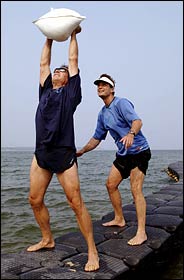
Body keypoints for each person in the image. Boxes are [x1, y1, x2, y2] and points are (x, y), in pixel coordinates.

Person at [27, 26, 99, 272]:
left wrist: (73, 34)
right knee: (34, 200)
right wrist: (48, 36)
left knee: (75, 203)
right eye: (57, 71)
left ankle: (92, 250)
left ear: (68, 79)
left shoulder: (71, 94)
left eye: (62, 71)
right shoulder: (46, 90)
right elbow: (43, 64)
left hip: (64, 154)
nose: (58, 71)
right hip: (41, 154)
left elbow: (73, 60)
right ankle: (47, 239)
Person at [77, 73, 151, 246]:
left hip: (139, 151)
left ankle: (142, 233)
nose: (100, 87)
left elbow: (138, 121)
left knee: (136, 189)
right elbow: (97, 138)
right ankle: (119, 218)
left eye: (104, 84)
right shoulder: (103, 114)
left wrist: (131, 134)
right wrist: (82, 151)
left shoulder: (121, 103)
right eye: (98, 85)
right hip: (124, 154)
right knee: (111, 185)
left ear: (112, 89)